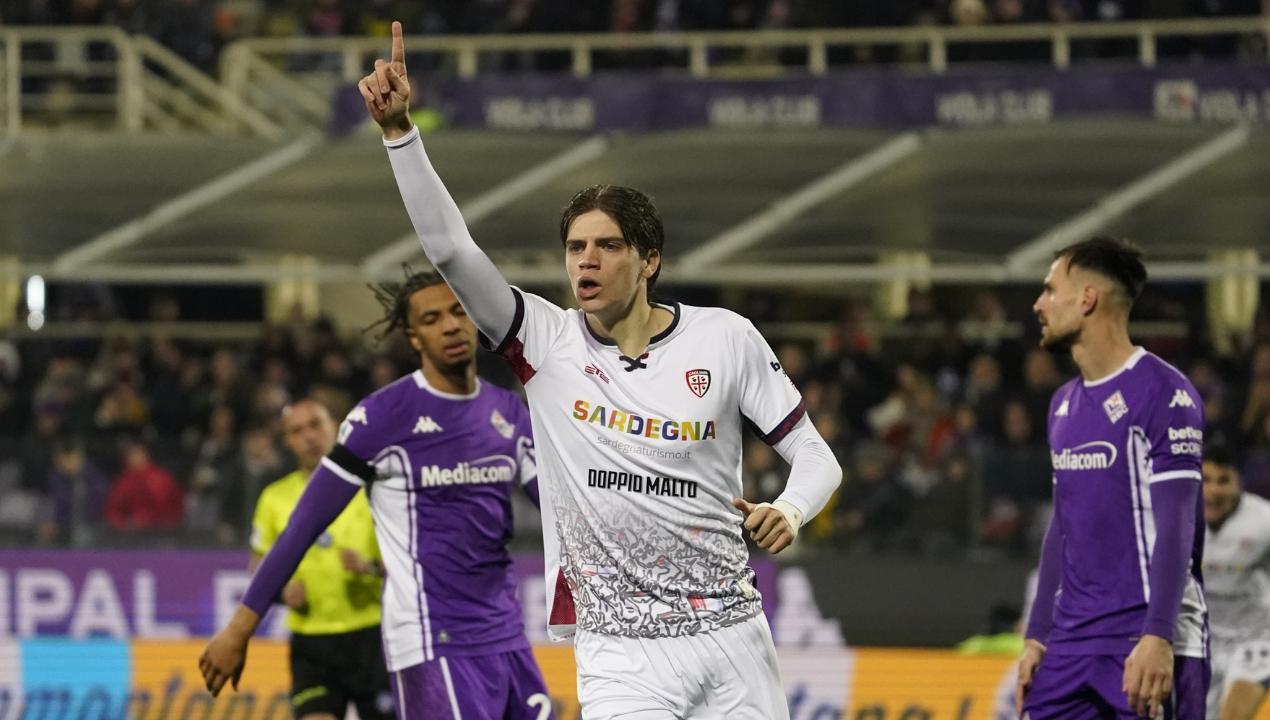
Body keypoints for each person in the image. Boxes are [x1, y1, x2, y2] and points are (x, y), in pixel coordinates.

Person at [352, 22, 842, 718]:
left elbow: (818, 459)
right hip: (621, 650)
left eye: (607, 246)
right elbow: (453, 251)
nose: (586, 260)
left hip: (734, 634)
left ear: (649, 260)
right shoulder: (542, 343)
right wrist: (400, 135)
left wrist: (789, 510)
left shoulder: (726, 338)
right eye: (576, 246)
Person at [200, 272, 549, 719]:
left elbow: (566, 516)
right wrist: (238, 629)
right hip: (430, 642)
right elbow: (302, 526)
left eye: (459, 311)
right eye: (432, 318)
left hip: (507, 636)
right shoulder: (383, 418)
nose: (449, 325)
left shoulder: (508, 412)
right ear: (414, 336)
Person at [1016, 237, 1209, 718]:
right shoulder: (1063, 405)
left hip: (1145, 640)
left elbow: (1179, 523)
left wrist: (1158, 634)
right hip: (1071, 645)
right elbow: (1063, 526)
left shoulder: (1165, 393)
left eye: (1049, 290)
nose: (1038, 305)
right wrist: (1037, 635)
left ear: (1087, 299)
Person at [250, 398, 392, 720]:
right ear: (287, 441)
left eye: (315, 425)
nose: (309, 437)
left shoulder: (374, 489)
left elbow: (410, 561)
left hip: (372, 635)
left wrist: (369, 568)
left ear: (336, 427)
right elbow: (257, 564)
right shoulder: (274, 498)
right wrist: (282, 593)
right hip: (311, 643)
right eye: (297, 431)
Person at [1200, 444, 1270, 720]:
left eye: (1224, 481)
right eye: (1206, 480)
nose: (1213, 491)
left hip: (1253, 641)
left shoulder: (1266, 521)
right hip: (1200, 643)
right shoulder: (1180, 518)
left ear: (1238, 483)